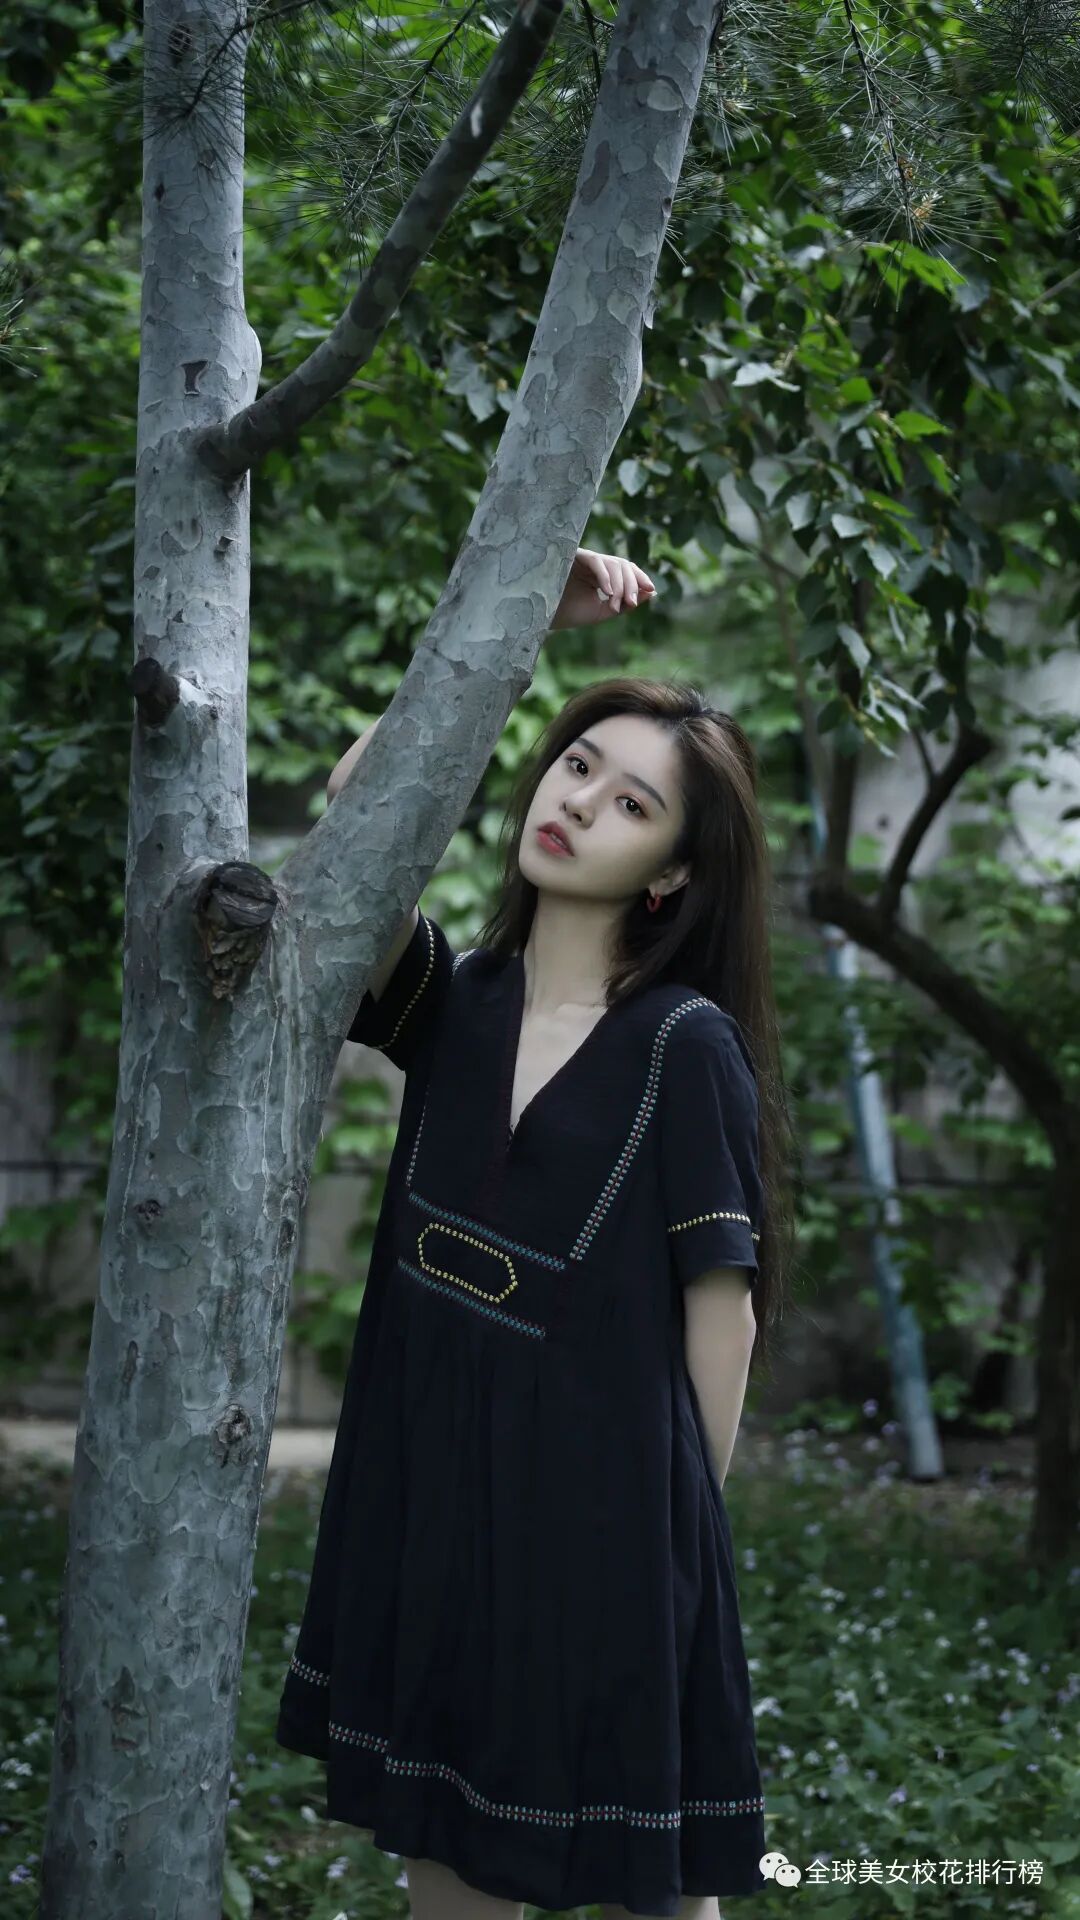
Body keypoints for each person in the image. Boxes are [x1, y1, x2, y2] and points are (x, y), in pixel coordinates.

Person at [275, 553, 795, 1920]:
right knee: (446, 1871)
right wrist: (507, 630)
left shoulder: (684, 1045)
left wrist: (676, 1556)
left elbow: (723, 1312)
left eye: (631, 804)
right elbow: (360, 808)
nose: (578, 804)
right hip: (431, 1505)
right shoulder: (461, 999)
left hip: (606, 1530)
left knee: (649, 1883)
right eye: (577, 767)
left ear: (672, 871)